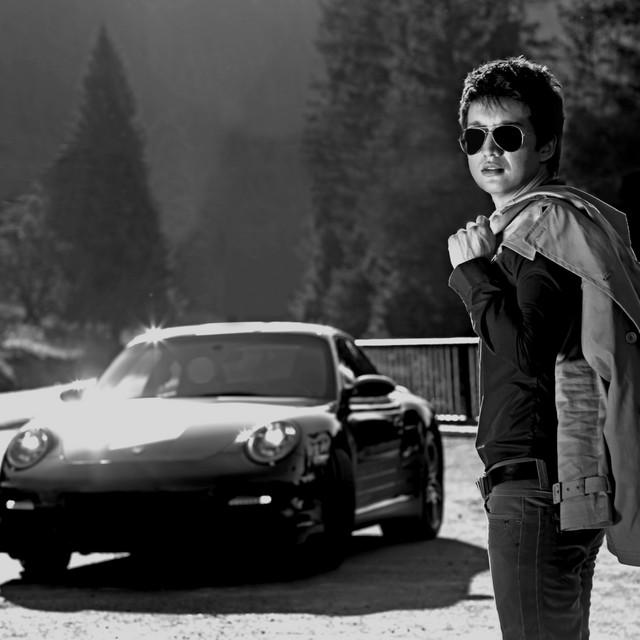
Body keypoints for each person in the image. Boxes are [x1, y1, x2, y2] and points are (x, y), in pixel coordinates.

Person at [447, 56, 640, 639]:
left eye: (508, 135)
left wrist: (474, 274)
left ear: (547, 145)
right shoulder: (550, 222)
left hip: (536, 493)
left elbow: (528, 353)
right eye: (475, 136)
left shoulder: (543, 228)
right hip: (558, 485)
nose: (489, 150)